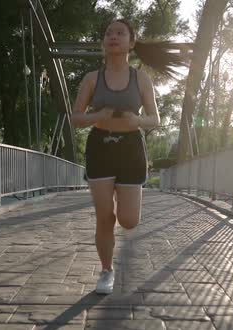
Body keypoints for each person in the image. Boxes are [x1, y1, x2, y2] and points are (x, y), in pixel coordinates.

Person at [70, 19, 186, 295]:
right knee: (104, 217)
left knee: (129, 219)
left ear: (131, 42)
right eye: (108, 32)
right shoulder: (92, 78)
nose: (113, 36)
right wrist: (98, 116)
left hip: (131, 148)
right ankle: (106, 271)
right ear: (103, 42)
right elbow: (75, 118)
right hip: (101, 146)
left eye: (120, 33)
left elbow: (154, 119)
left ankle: (124, 206)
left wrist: (137, 120)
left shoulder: (140, 78)